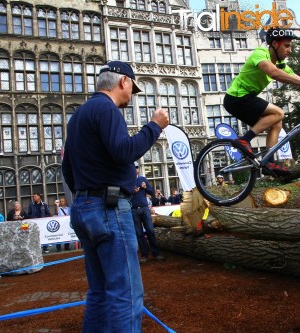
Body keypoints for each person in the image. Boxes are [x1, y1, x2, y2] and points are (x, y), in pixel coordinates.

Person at [62, 60, 169, 332]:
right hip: (109, 208)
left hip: (84, 206)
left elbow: (67, 168)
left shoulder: (78, 116)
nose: (131, 97)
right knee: (125, 292)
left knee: (98, 292)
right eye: (133, 89)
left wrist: (86, 195)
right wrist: (154, 126)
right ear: (123, 81)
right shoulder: (107, 110)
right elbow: (123, 151)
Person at [223, 27, 300, 177]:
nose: (290, 50)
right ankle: (244, 141)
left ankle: (268, 162)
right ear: (275, 44)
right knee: (279, 112)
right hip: (236, 98)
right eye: (287, 45)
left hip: (246, 100)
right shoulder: (260, 54)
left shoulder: (280, 64)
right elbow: (273, 72)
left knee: (277, 123)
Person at [131, 162, 165, 264]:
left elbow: (152, 192)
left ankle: (156, 253)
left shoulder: (143, 179)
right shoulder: (127, 180)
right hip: (133, 209)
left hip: (145, 208)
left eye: (137, 167)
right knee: (139, 233)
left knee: (150, 230)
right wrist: (133, 191)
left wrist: (146, 187)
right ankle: (144, 255)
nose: (136, 169)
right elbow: (125, 194)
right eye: (134, 168)